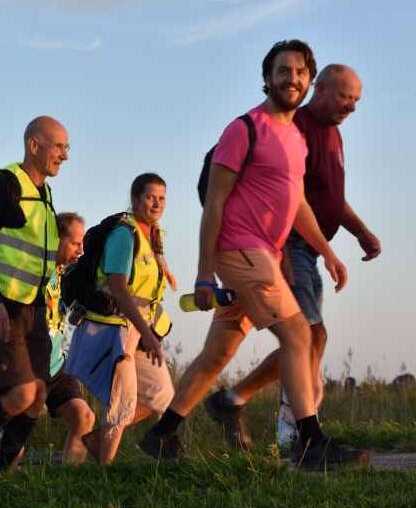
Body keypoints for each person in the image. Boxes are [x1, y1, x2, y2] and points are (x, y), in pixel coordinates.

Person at [137, 40, 368, 470]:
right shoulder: (243, 129)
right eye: (283, 71)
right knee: (299, 335)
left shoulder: (296, 138)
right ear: (267, 78)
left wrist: (327, 252)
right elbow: (216, 205)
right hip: (239, 250)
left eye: (300, 72)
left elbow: (297, 205)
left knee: (217, 354)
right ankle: (311, 442)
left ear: (309, 81)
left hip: (263, 255)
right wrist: (205, 275)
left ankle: (161, 434)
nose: (292, 78)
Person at [204, 64, 381, 450]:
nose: (351, 107)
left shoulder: (332, 135)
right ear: (319, 89)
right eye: (344, 97)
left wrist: (359, 232)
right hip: (287, 247)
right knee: (305, 334)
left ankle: (233, 400)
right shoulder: (294, 126)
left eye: (356, 101)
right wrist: (281, 253)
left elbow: (330, 199)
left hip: (309, 250)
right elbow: (285, 198)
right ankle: (296, 432)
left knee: (306, 336)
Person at [0, 115, 67, 478]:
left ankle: (0, 477)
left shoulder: (45, 193)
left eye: (67, 148)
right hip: (2, 305)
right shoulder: (4, 184)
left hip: (34, 307)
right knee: (21, 393)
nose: (64, 155)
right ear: (34, 145)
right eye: (58, 146)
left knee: (37, 395)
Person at [65, 174, 174, 465]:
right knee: (121, 403)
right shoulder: (125, 234)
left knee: (160, 394)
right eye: (151, 197)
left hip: (139, 328)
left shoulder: (154, 235)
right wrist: (146, 333)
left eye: (162, 198)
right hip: (114, 328)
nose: (156, 203)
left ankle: (100, 440)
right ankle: (105, 475)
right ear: (136, 198)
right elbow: (118, 286)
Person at [0, 212, 95, 471]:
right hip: (27, 366)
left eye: (82, 244)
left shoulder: (64, 274)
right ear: (56, 239)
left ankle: (66, 483)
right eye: (75, 243)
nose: (80, 250)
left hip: (56, 364)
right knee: (17, 442)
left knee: (84, 418)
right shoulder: (33, 271)